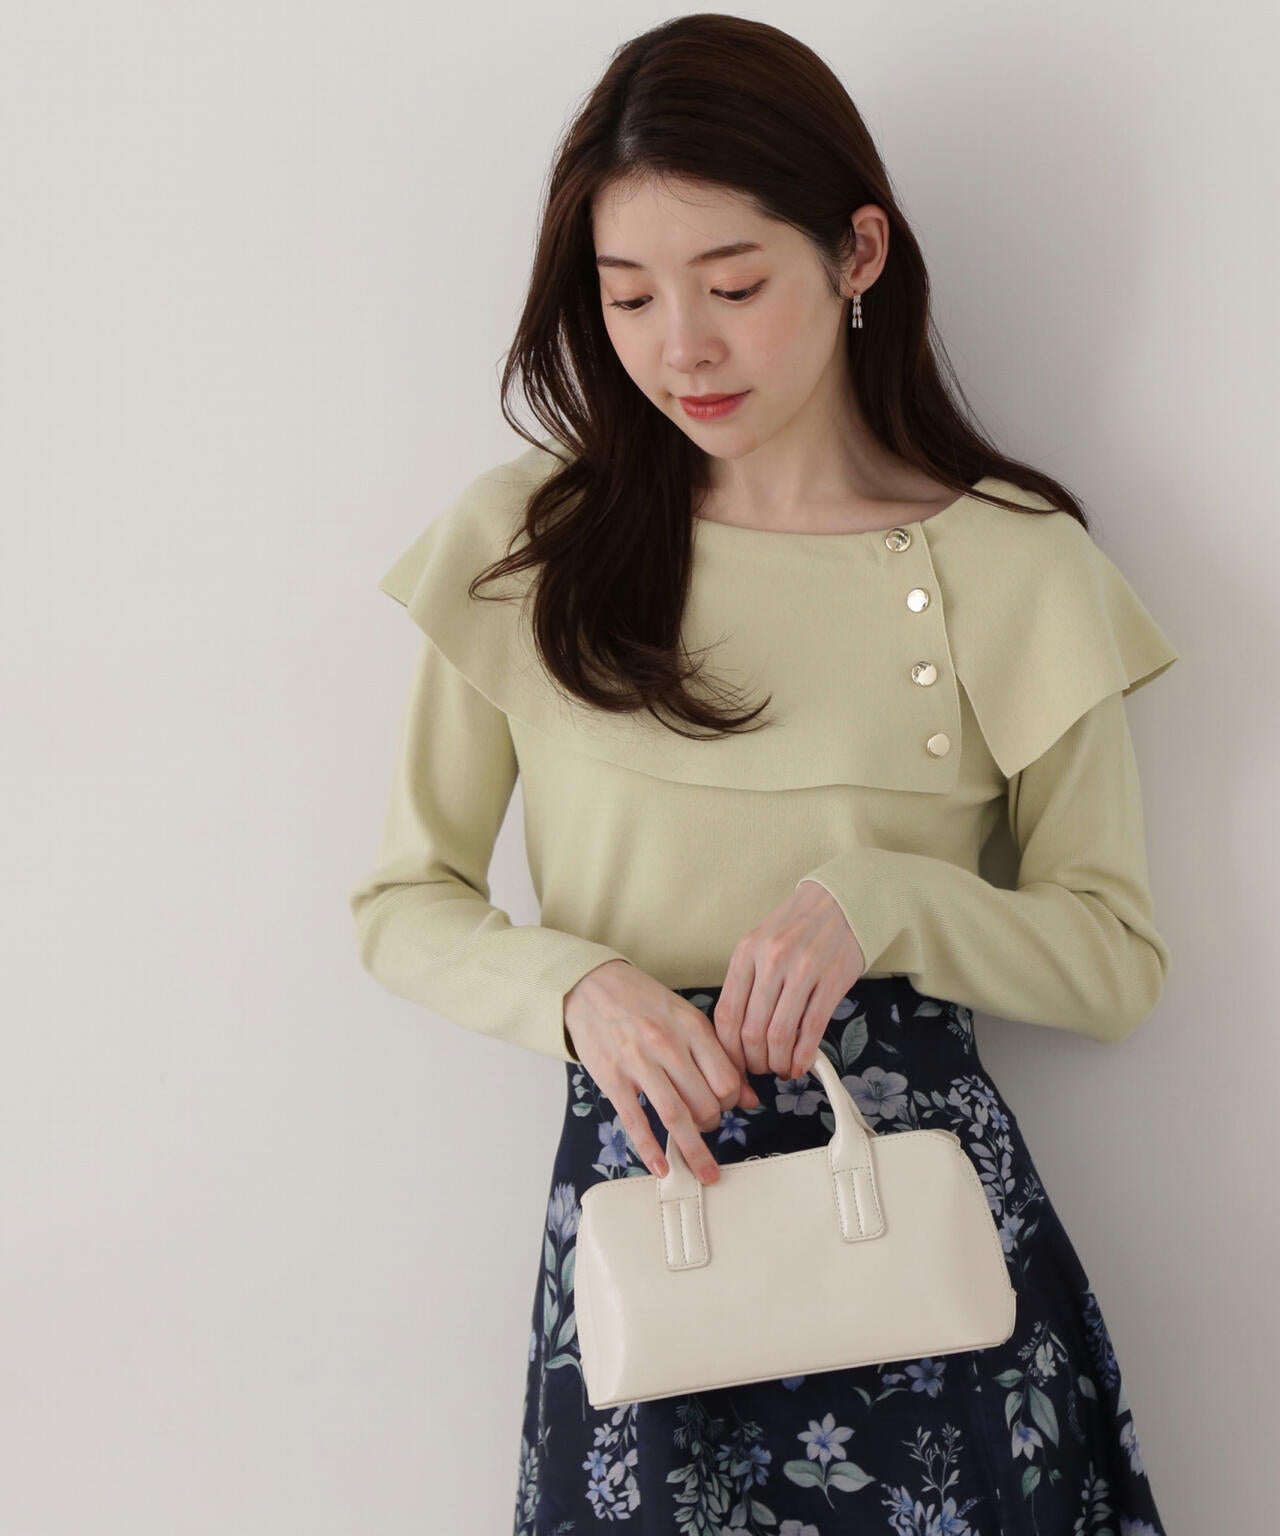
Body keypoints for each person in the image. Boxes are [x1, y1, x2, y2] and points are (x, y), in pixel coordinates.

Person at [347, 15, 1176, 1534]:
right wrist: (578, 989)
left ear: (859, 253)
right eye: (629, 296)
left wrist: (885, 900)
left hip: (930, 1262)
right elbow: (405, 903)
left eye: (733, 287)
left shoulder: (1018, 565)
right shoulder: (527, 544)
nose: (682, 346)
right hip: (654, 1228)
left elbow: (1115, 961)